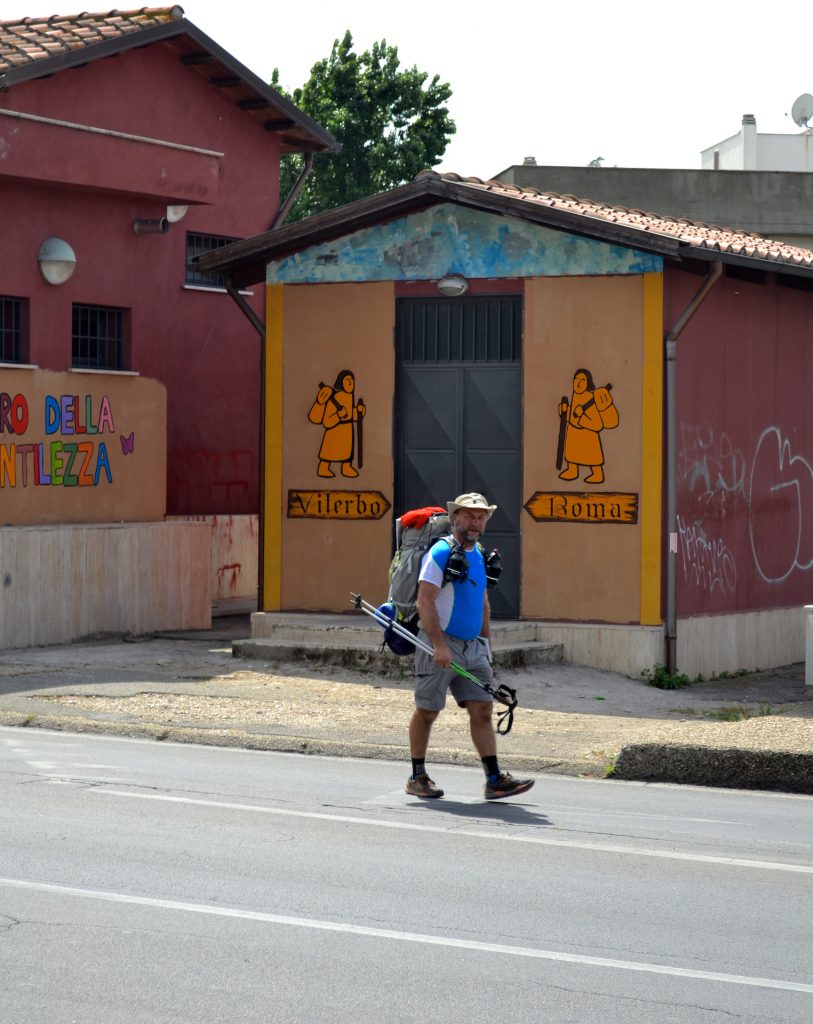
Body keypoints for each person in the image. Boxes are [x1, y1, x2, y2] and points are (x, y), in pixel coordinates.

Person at [405, 492, 535, 801]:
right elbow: (424, 601)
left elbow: (483, 604)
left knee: (483, 709)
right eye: (469, 516)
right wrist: (439, 645)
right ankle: (417, 776)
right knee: (427, 711)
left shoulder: (479, 554)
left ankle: (494, 779)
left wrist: (487, 648)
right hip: (440, 643)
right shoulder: (440, 553)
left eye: (481, 517)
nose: (475, 522)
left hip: (473, 646)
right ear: (455, 518)